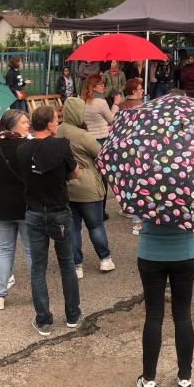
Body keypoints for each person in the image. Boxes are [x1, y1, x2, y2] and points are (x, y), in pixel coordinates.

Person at [18, 105, 82, 336]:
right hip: (59, 211)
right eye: (56, 120)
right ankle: (72, 315)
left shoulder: (22, 149)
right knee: (67, 264)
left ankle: (43, 320)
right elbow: (76, 173)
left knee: (38, 267)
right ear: (49, 124)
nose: (58, 123)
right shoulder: (61, 146)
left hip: (34, 211)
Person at [135, 207, 194, 387]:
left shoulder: (144, 188)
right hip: (185, 253)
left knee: (153, 316)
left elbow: (136, 211)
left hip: (151, 253)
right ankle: (185, 378)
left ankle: (148, 380)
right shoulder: (192, 191)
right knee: (183, 316)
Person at [0, 110, 32, 309]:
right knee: (30, 251)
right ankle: (37, 293)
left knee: (4, 250)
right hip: (26, 205)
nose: (28, 125)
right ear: (13, 125)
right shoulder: (28, 147)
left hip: (1, 205)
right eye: (24, 122)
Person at [58, 97, 115, 279]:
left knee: (73, 228)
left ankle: (77, 266)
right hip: (88, 186)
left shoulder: (58, 131)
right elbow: (101, 154)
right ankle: (105, 258)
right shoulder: (83, 136)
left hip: (66, 186)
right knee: (95, 225)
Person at [81, 74, 121, 142]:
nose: (103, 85)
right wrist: (115, 104)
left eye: (103, 83)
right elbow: (112, 121)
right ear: (93, 87)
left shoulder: (82, 100)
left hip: (88, 138)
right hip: (101, 138)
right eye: (100, 84)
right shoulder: (101, 102)